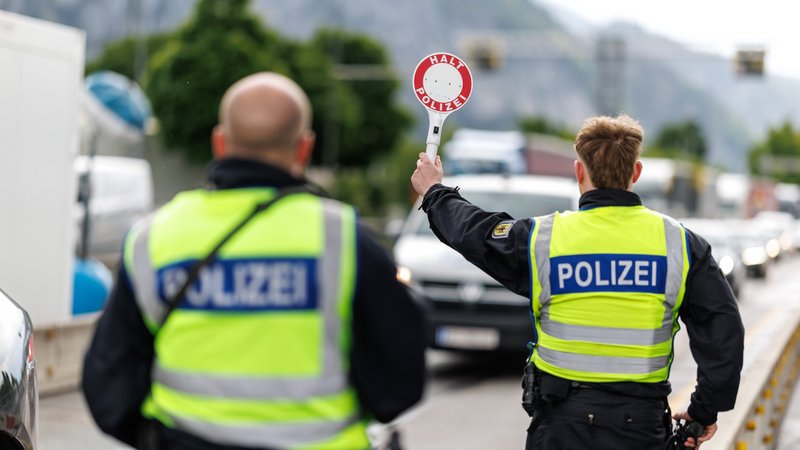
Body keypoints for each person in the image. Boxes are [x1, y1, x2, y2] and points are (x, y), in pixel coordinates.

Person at [83, 72, 426, 450]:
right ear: (304, 148)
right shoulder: (344, 239)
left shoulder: (154, 239)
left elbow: (107, 384)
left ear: (219, 142)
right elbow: (400, 384)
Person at [411, 115, 744, 449]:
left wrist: (434, 192)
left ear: (579, 172)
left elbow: (476, 232)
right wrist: (703, 411)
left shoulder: (542, 239)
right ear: (636, 173)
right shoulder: (681, 245)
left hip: (560, 427)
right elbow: (724, 330)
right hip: (640, 429)